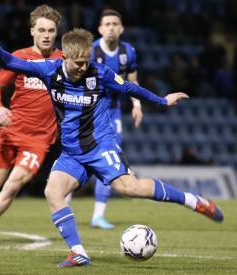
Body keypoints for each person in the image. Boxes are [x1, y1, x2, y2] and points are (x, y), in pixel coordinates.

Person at [0, 27, 224, 268]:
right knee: (52, 192)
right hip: (72, 152)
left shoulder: (99, 73)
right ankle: (78, 253)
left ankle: (192, 200)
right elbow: (9, 62)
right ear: (64, 56)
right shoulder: (48, 70)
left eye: (86, 62)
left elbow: (129, 88)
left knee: (130, 189)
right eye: (78, 63)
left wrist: (162, 100)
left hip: (99, 146)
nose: (83, 67)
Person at [0, 5, 63, 243]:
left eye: (51, 30)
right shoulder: (20, 58)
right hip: (11, 131)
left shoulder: (64, 60)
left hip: (39, 139)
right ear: (32, 32)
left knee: (12, 186)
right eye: (41, 30)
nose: (47, 35)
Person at [89, 9, 143, 229]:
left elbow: (133, 82)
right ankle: (64, 202)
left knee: (110, 157)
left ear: (121, 29)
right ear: (100, 29)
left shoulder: (128, 52)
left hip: (112, 112)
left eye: (115, 24)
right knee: (80, 158)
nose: (111, 27)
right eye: (107, 24)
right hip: (88, 112)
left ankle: (98, 215)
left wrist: (137, 105)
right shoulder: (91, 51)